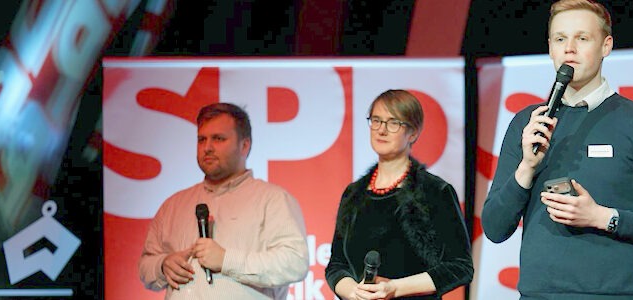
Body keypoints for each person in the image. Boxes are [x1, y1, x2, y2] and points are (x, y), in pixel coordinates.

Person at [481, 0, 633, 299]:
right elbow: (494, 228)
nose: (569, 48)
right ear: (550, 48)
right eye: (560, 39)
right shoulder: (529, 123)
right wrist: (526, 168)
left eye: (582, 38)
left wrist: (602, 217)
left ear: (606, 46)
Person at [138, 103, 309, 299]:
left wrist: (227, 260)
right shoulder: (173, 205)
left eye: (218, 139)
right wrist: (163, 265)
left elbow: (295, 263)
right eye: (201, 140)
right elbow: (146, 266)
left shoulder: (273, 199)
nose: (207, 148)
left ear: (244, 145)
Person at [325, 90, 474, 300]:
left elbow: (460, 267)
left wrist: (394, 288)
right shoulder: (354, 194)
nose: (381, 130)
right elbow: (336, 264)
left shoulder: (435, 191)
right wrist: (353, 291)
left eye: (393, 122)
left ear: (413, 132)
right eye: (376, 121)